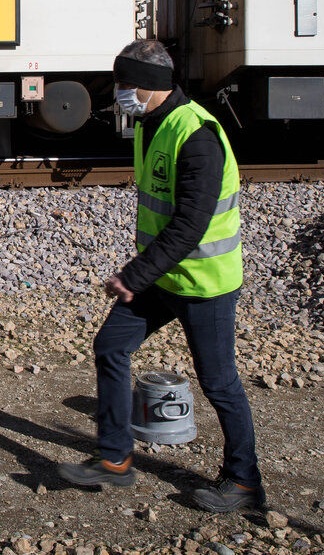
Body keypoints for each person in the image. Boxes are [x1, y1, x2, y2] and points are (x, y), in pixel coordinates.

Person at [59, 39, 264, 513]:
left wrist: (134, 275)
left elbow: (191, 225)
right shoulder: (153, 123)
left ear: (152, 87)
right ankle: (113, 460)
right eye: (120, 84)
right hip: (163, 279)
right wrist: (145, 274)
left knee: (219, 383)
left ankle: (245, 483)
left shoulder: (197, 136)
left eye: (127, 85)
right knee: (111, 346)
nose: (121, 94)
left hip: (202, 284)